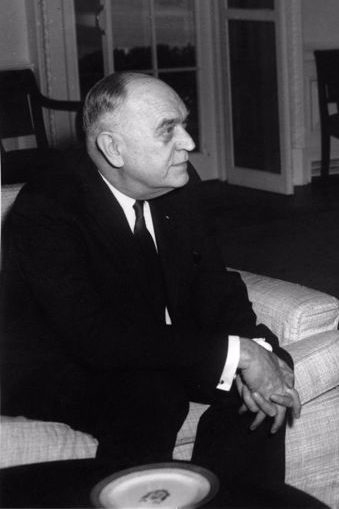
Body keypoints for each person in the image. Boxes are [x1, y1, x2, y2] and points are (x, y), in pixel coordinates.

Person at [0, 72, 311, 503]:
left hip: (150, 347)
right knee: (151, 394)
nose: (187, 142)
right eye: (169, 131)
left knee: (267, 370)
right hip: (57, 365)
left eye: (184, 125)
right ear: (113, 148)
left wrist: (259, 348)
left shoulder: (179, 183)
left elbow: (213, 282)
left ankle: (229, 501)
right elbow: (95, 337)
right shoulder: (49, 206)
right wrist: (237, 352)